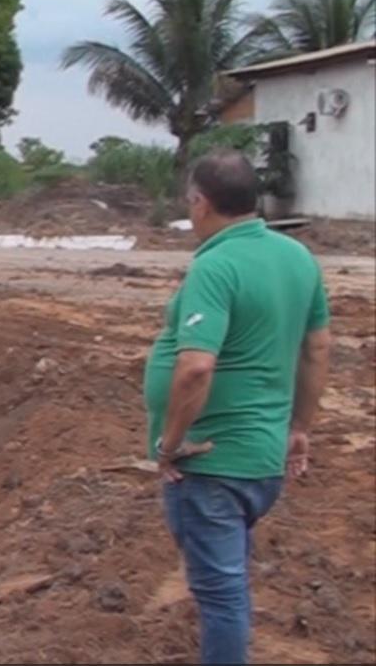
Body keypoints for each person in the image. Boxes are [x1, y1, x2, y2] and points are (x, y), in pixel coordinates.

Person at [146, 150, 333, 665]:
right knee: (229, 574)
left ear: (200, 202)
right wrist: (300, 427)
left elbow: (196, 367)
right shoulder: (298, 258)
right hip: (263, 458)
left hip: (210, 465)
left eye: (190, 201)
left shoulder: (216, 264)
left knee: (221, 595)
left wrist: (171, 443)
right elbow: (317, 348)